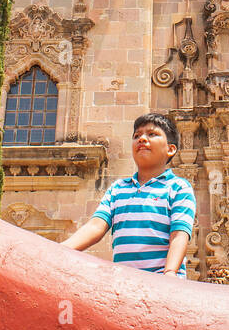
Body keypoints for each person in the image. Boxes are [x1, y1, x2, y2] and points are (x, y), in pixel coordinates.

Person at [62, 113, 196, 277]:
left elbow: (179, 234)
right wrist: (60, 250)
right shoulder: (118, 189)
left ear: (170, 149)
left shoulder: (178, 188)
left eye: (152, 134)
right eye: (136, 136)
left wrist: (170, 272)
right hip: (124, 283)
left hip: (161, 280)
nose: (142, 139)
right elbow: (95, 226)